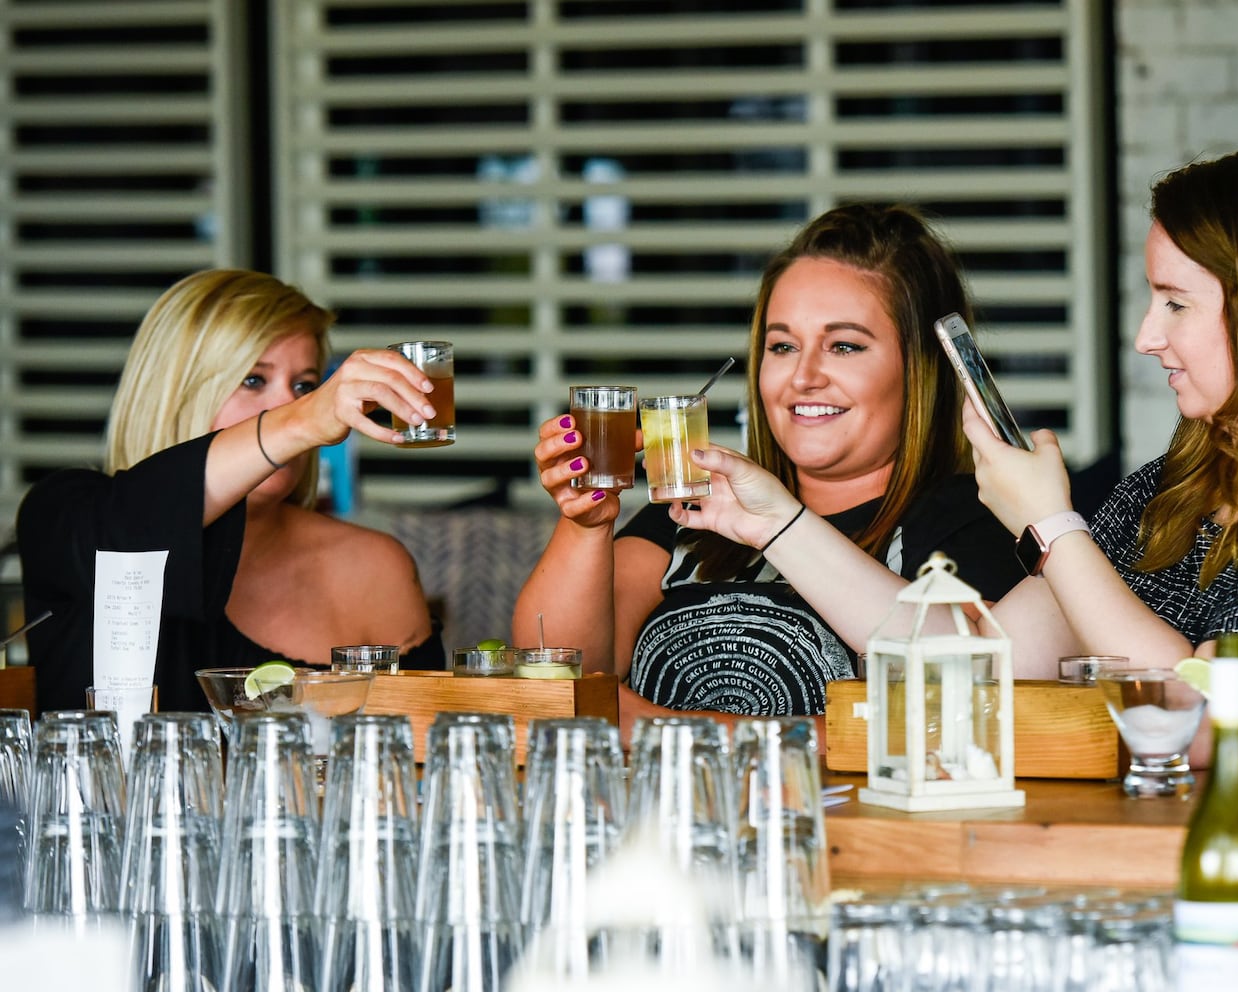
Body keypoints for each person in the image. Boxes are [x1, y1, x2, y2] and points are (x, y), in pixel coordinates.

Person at [677, 146, 1238, 765]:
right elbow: (962, 667)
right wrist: (775, 522)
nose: (1146, 336)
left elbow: (1207, 727)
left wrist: (1052, 526)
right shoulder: (1177, 485)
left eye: (1176, 303)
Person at [513, 203, 1025, 736]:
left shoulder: (972, 523)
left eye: (844, 346)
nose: (803, 377)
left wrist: (654, 725)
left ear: (922, 368)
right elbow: (554, 676)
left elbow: (949, 719)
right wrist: (585, 525)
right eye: (782, 346)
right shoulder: (700, 507)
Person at [17, 269, 447, 713]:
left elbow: (424, 752)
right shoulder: (65, 513)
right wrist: (302, 420)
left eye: (304, 385)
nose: (290, 405)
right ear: (175, 394)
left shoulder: (374, 566)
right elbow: (131, 535)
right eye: (254, 380)